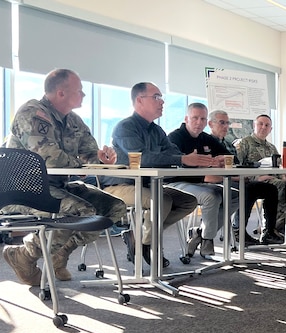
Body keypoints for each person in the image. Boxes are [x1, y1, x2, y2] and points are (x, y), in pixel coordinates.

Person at [2, 68, 127, 285]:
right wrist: (83, 163)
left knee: (114, 208)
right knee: (83, 211)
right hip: (23, 190)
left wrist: (102, 159)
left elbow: (90, 153)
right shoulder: (31, 113)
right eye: (79, 91)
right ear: (61, 93)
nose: (84, 95)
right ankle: (24, 255)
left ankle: (59, 253)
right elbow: (48, 157)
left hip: (58, 185)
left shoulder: (74, 121)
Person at [100, 82, 204, 268]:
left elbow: (175, 153)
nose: (162, 102)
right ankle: (147, 244)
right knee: (162, 201)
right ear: (139, 100)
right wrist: (183, 160)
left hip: (148, 186)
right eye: (156, 97)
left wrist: (195, 160)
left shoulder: (157, 130)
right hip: (120, 186)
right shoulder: (125, 127)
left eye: (161, 97)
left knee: (188, 201)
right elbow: (143, 159)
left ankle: (138, 236)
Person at [167, 103, 240, 257]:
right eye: (195, 118)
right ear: (186, 119)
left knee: (236, 194)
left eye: (202, 119)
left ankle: (200, 233)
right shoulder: (174, 138)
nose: (199, 122)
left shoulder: (205, 138)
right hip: (176, 182)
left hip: (199, 182)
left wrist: (220, 160)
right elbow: (172, 167)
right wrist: (198, 165)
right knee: (211, 196)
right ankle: (207, 239)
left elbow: (232, 158)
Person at [235, 114, 286, 241]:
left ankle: (283, 218)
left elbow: (278, 166)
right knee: (283, 186)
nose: (263, 127)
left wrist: (284, 176)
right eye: (260, 124)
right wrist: (255, 177)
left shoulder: (271, 147)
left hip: (276, 179)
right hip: (257, 181)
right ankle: (275, 226)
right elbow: (238, 167)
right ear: (254, 125)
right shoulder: (244, 144)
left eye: (267, 125)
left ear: (270, 129)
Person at [207, 110, 281, 245]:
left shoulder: (228, 145)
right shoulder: (208, 142)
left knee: (270, 189)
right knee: (248, 188)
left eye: (227, 123)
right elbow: (238, 167)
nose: (225, 126)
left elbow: (236, 167)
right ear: (210, 124)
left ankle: (269, 230)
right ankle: (238, 229)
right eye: (221, 123)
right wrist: (250, 178)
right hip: (217, 182)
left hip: (237, 179)